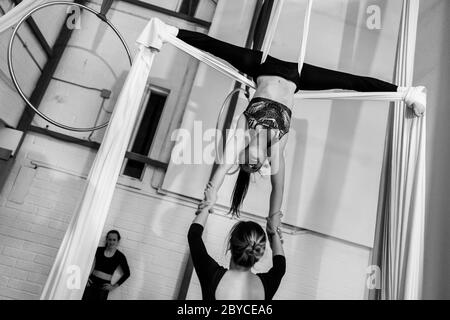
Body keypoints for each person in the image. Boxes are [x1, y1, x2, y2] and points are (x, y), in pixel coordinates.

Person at [170, 27, 426, 218]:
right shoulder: (276, 149)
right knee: (348, 82)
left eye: (244, 165)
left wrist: (212, 191)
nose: (251, 164)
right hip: (297, 76)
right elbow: (277, 188)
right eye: (254, 168)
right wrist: (273, 218)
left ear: (242, 156)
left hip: (261, 66)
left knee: (216, 47)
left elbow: (224, 161)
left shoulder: (243, 131)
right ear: (262, 165)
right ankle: (406, 92)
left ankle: (172, 31)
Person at [188, 204, 285, 300]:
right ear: (259, 253)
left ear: (230, 244)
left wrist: (207, 205)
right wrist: (274, 233)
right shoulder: (267, 285)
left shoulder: (211, 275)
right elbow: (280, 266)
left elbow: (194, 235)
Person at [82, 230, 130, 300]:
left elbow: (127, 273)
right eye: (110, 239)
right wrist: (85, 277)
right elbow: (85, 262)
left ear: (118, 241)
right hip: (91, 283)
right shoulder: (98, 250)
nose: (111, 242)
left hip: (104, 287)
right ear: (107, 240)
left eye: (114, 240)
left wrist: (113, 287)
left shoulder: (120, 256)